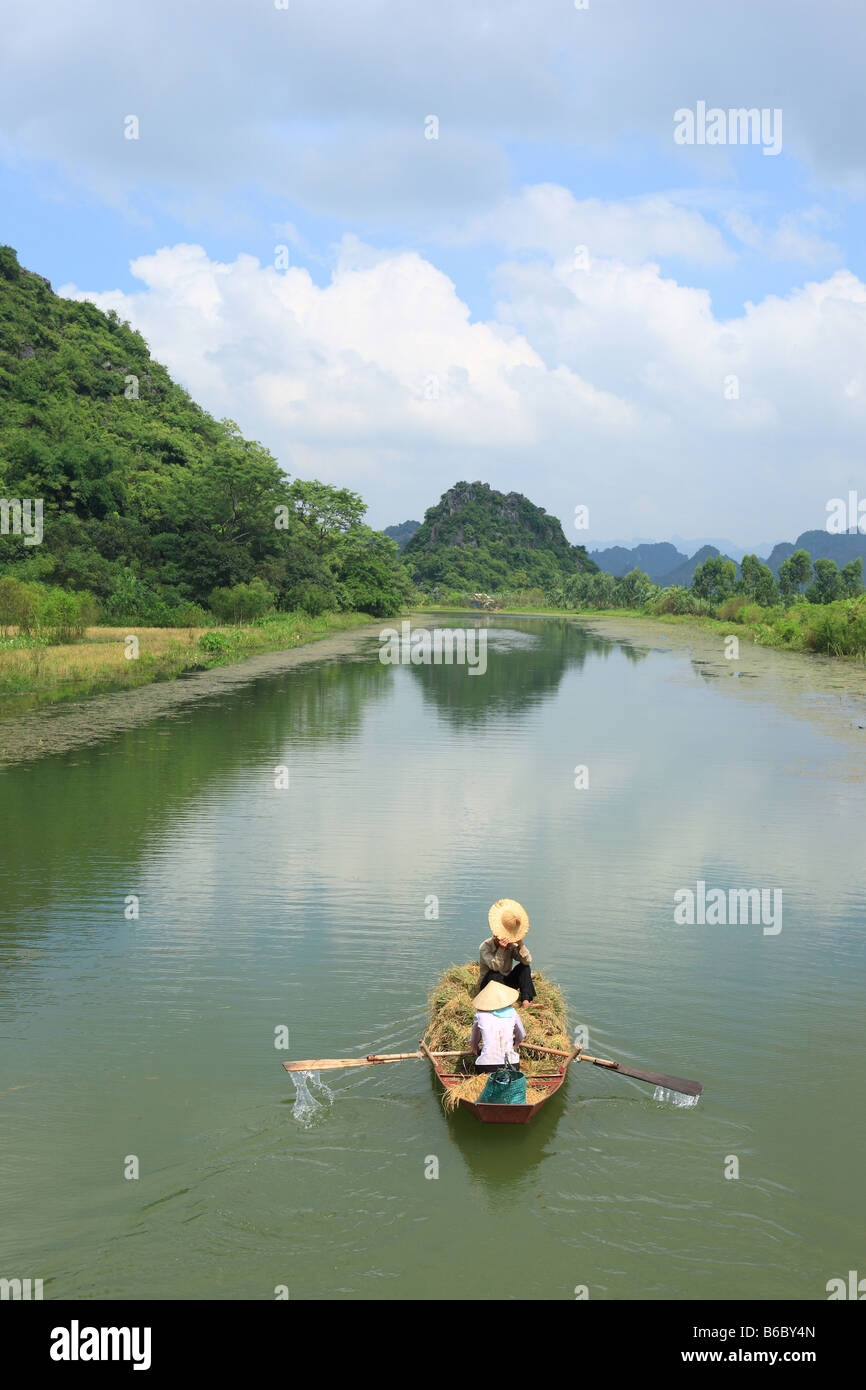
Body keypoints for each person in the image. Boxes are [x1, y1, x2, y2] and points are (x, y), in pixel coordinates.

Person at [478, 897, 536, 1007]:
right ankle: (499, 1003)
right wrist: (501, 949)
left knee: (524, 968)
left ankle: (526, 1001)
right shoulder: (485, 947)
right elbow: (495, 967)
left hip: (505, 982)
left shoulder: (511, 945)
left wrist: (520, 943)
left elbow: (527, 961)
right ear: (496, 935)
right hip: (489, 985)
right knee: (494, 974)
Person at [469, 981, 526, 1072]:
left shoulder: (480, 1014)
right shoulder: (512, 1013)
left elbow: (473, 1040)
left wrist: (475, 1050)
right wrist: (516, 1045)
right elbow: (522, 1034)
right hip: (511, 1064)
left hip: (485, 1066)